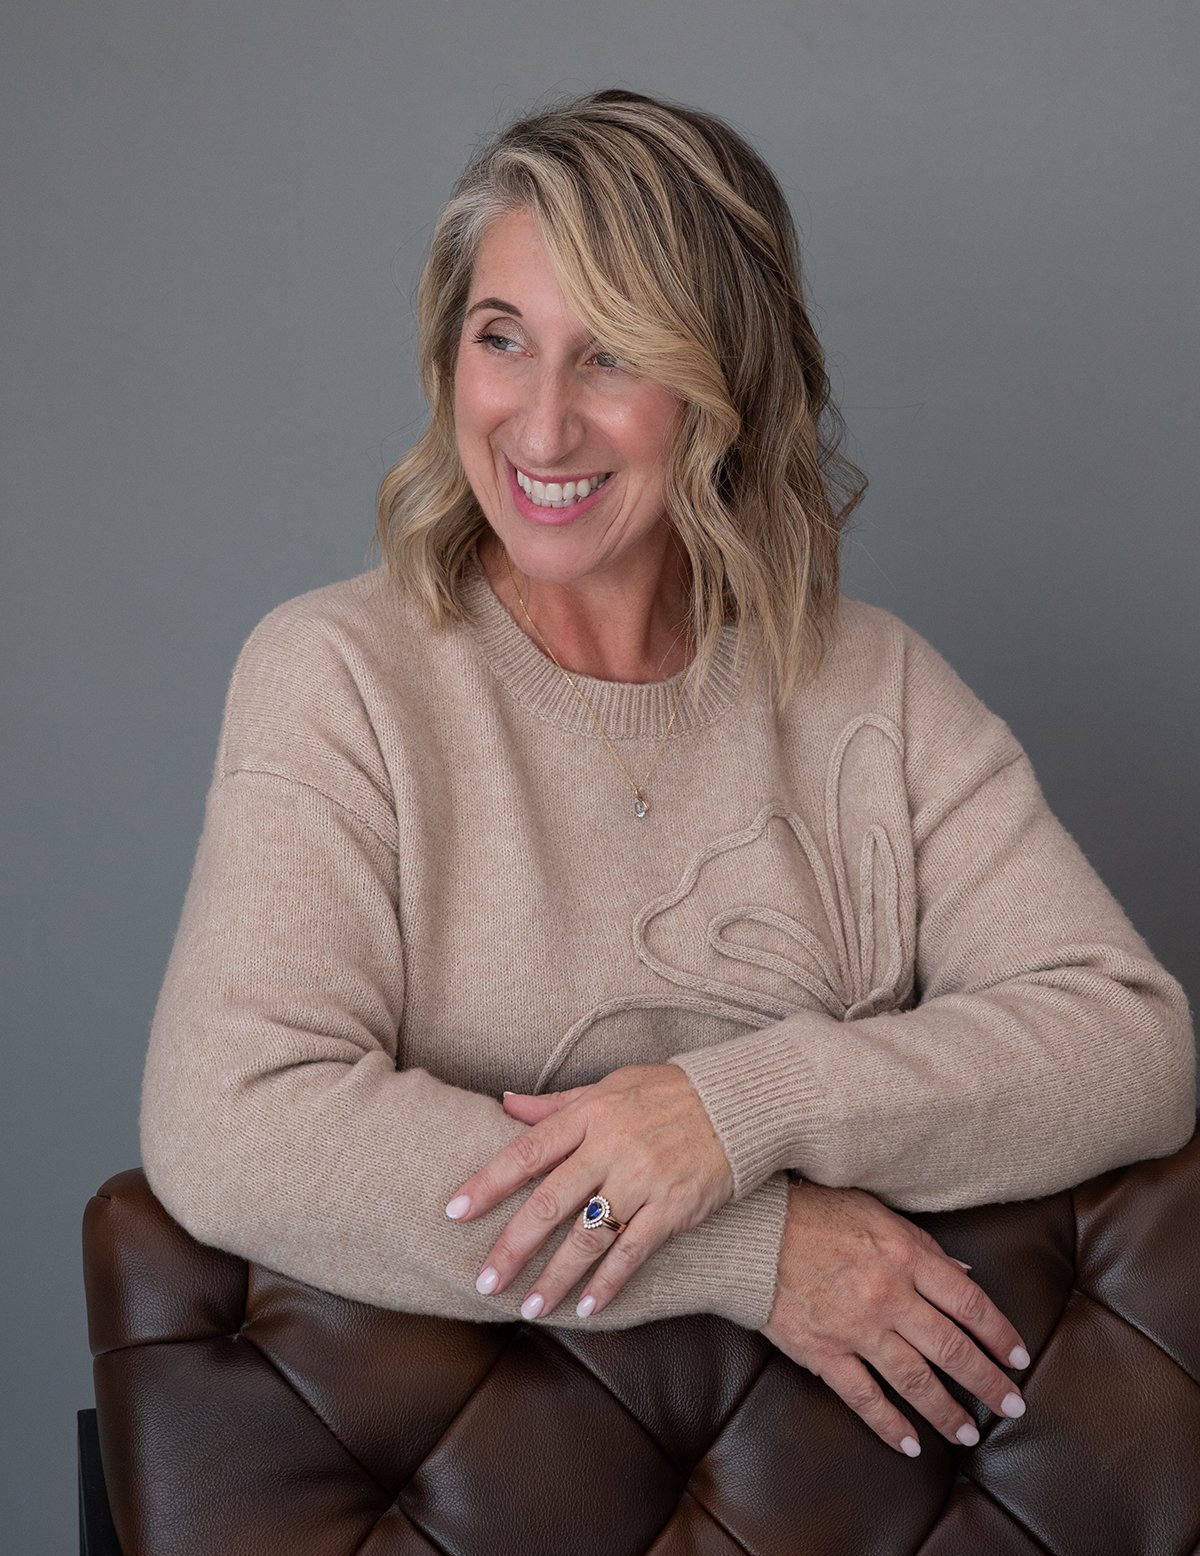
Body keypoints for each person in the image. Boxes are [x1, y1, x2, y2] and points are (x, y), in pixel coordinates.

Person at [138, 88, 1196, 1462]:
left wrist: (736, 1110)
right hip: (484, 1526)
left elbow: (1131, 1046)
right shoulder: (339, 676)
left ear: (723, 388)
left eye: (613, 358)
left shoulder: (871, 685)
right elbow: (235, 1126)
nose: (541, 423)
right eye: (500, 338)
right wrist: (747, 1254)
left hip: (844, 1545)